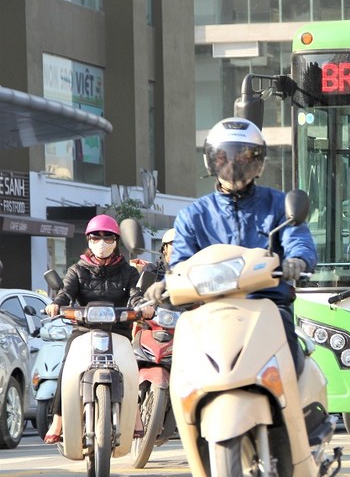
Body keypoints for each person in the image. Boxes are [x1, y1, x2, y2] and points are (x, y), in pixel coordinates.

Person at [144, 117, 317, 374]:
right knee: (182, 373)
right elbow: (181, 264)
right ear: (211, 160)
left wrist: (297, 260)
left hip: (267, 308)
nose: (234, 165)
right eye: (225, 156)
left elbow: (298, 239)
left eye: (244, 156)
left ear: (259, 162)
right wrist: (166, 283)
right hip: (209, 313)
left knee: (291, 368)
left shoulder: (279, 205)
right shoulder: (193, 215)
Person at [42, 214, 151, 444]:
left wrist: (143, 307)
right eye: (96, 237)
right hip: (84, 331)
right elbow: (65, 293)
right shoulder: (77, 270)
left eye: (108, 237)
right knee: (66, 367)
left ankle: (136, 414)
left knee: (132, 366)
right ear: (89, 241)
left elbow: (135, 296)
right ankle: (59, 419)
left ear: (116, 241)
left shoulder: (128, 271)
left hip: (118, 330)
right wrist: (56, 304)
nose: (102, 242)